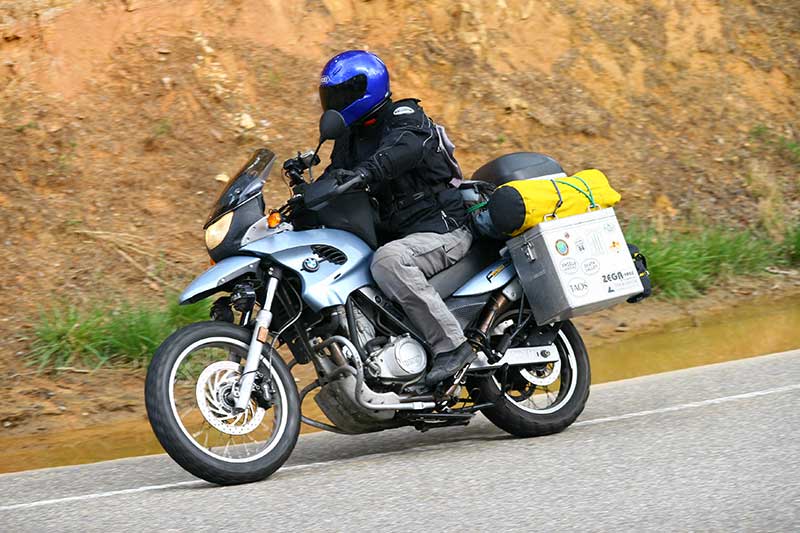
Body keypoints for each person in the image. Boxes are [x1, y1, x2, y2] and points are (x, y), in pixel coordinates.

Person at [317, 50, 475, 388]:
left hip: (442, 228)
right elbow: (335, 175)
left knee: (388, 262)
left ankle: (453, 346)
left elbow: (402, 149)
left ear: (368, 89)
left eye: (344, 94)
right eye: (331, 95)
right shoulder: (349, 137)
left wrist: (366, 172)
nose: (335, 102)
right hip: (400, 233)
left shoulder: (404, 115)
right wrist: (305, 196)